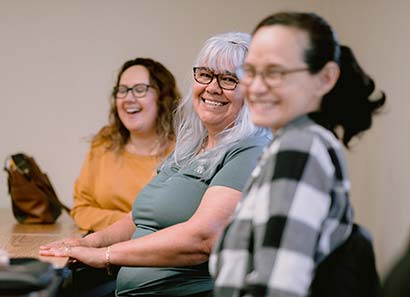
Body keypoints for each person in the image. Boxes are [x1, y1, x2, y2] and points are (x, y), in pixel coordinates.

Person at [40, 32, 271, 297]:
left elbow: (203, 239)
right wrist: (84, 243)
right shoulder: (190, 147)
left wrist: (105, 255)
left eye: (229, 79)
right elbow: (136, 219)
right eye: (205, 74)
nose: (213, 87)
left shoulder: (252, 149)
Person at [210, 12, 386, 297]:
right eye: (250, 71)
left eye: (275, 72)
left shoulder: (300, 147)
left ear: (325, 78)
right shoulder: (291, 144)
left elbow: (279, 286)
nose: (255, 86)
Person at [71, 57, 180, 231]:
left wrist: (128, 224)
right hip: (102, 249)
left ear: (162, 97)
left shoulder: (184, 152)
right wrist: (129, 223)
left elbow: (183, 221)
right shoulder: (103, 143)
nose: (129, 98)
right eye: (122, 90)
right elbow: (81, 210)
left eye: (140, 90)